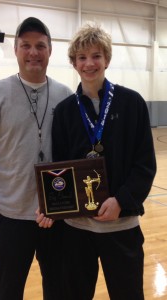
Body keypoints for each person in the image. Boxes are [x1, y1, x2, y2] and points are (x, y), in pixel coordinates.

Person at [0, 17, 72, 300]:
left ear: (50, 51)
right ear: (16, 50)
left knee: (60, 289)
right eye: (26, 45)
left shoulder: (66, 97)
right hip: (11, 217)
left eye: (40, 46)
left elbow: (74, 156)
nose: (33, 52)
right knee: (6, 292)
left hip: (55, 216)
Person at [51, 24, 157, 300]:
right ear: (74, 63)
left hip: (121, 226)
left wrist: (121, 200)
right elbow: (58, 166)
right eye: (82, 57)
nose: (89, 63)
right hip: (76, 229)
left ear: (107, 59)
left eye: (96, 55)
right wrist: (56, 204)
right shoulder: (64, 112)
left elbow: (145, 164)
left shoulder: (132, 103)